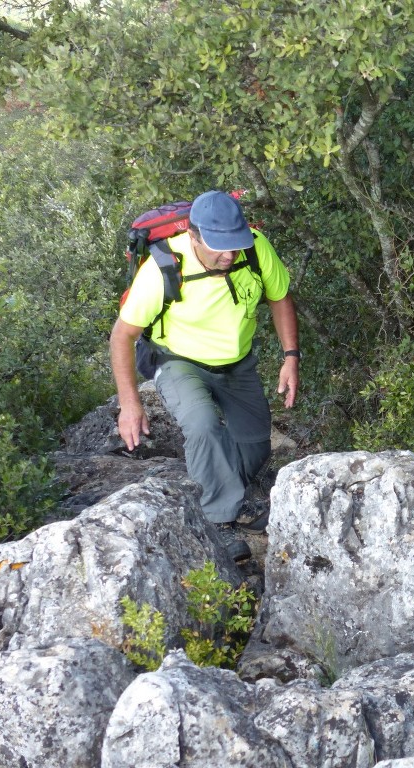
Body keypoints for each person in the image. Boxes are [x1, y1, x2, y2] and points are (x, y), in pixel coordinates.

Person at [109, 190, 300, 562]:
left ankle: (224, 492)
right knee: (202, 425)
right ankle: (219, 520)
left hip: (237, 362)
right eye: (219, 247)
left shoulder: (256, 248)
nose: (229, 255)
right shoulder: (165, 266)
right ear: (194, 237)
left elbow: (280, 298)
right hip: (179, 360)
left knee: (257, 443)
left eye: (235, 245)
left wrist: (290, 356)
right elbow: (122, 334)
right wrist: (129, 404)